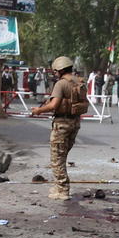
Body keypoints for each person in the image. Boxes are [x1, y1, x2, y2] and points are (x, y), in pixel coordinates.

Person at [32, 56, 82, 200]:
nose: (54, 73)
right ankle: (58, 186)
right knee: (62, 155)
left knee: (57, 158)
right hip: (75, 123)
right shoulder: (78, 82)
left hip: (62, 124)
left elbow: (54, 105)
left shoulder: (61, 84)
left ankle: (63, 190)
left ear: (60, 70)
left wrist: (38, 111)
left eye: (55, 71)